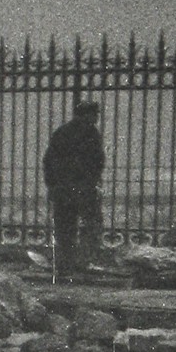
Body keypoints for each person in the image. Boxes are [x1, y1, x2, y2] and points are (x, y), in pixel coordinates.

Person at [42, 100, 105, 279]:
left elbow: (48, 161)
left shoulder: (61, 133)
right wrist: (93, 181)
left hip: (63, 190)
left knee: (65, 229)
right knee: (92, 224)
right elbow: (97, 161)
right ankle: (84, 261)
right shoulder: (91, 134)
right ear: (87, 115)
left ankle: (65, 266)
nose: (96, 118)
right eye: (95, 114)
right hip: (83, 189)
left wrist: (52, 185)